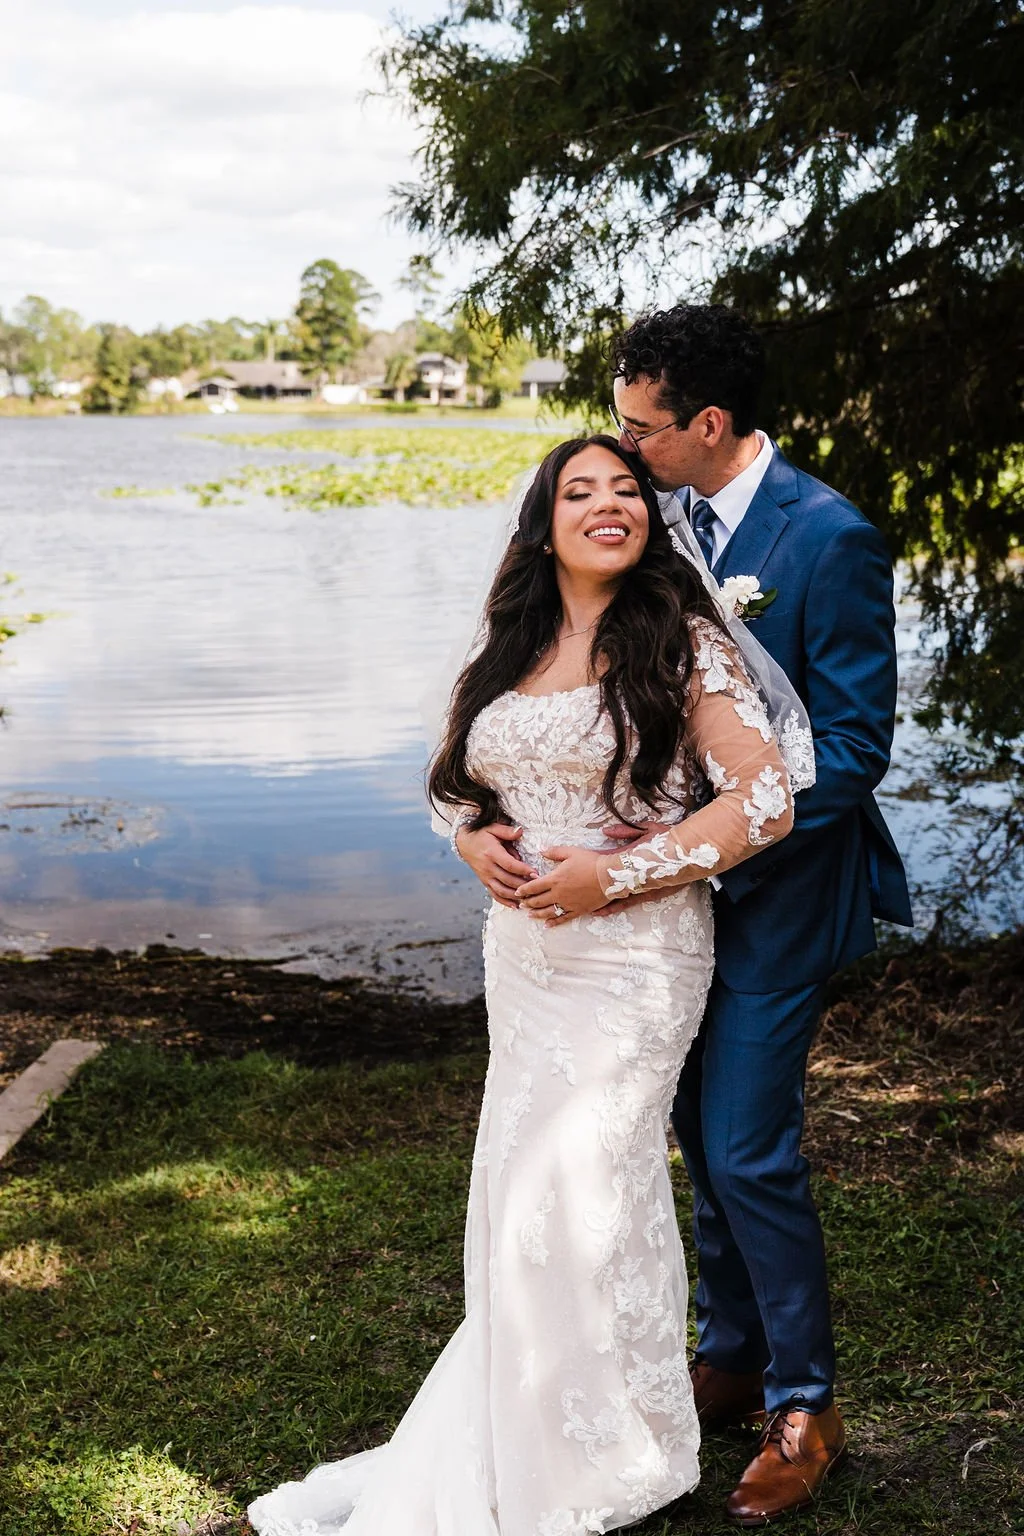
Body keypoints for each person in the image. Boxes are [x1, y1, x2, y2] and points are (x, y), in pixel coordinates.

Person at [249, 433, 805, 1536]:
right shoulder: (510, 643)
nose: (609, 504)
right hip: (528, 961)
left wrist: (618, 874)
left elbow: (764, 798)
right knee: (521, 1186)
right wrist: (469, 841)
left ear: (648, 519)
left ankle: (609, 1447)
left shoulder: (682, 641)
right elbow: (455, 782)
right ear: (542, 523)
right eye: (579, 491)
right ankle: (553, 1420)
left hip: (637, 956)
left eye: (626, 490)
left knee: (583, 1182)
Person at [596, 303, 913, 1524]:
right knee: (691, 1128)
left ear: (706, 424)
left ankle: (806, 1403)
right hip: (670, 908)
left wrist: (713, 842)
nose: (622, 448)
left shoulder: (827, 538)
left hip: (775, 898)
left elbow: (850, 748)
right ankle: (727, 1357)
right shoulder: (659, 522)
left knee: (745, 1145)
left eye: (640, 427)